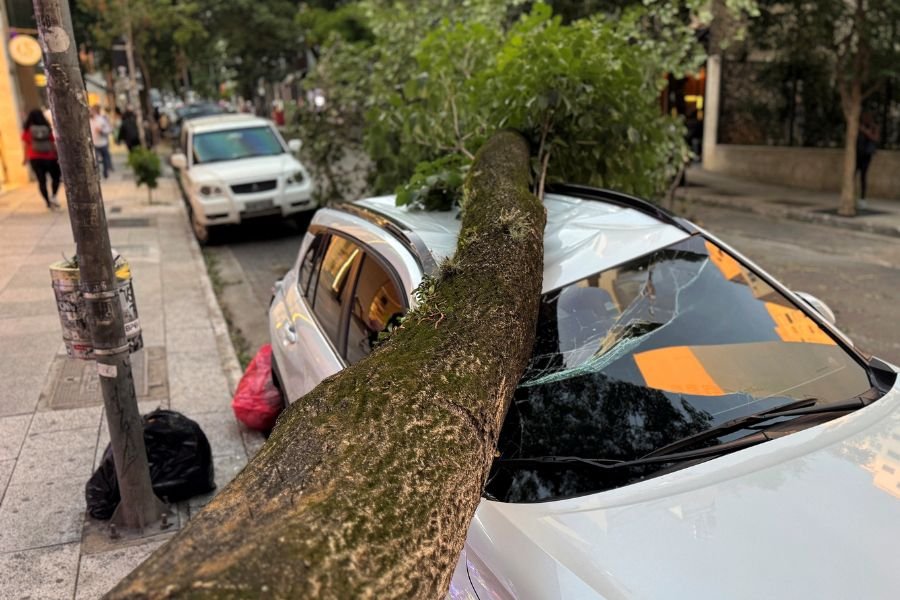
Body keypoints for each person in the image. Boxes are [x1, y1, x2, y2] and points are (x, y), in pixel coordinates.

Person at [21, 108, 62, 210]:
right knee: (56, 177)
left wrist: (25, 158)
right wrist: (57, 154)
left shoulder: (28, 130)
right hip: (50, 157)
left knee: (41, 181)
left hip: (35, 158)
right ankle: (53, 196)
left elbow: (26, 145)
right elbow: (53, 142)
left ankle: (47, 202)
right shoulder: (47, 127)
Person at [855, 111, 880, 206]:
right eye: (864, 117)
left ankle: (862, 198)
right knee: (852, 175)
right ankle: (850, 195)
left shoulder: (873, 127)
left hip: (866, 155)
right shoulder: (859, 126)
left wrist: (865, 131)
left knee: (863, 176)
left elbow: (876, 138)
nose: (866, 119)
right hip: (857, 154)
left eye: (868, 117)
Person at [90, 104, 113, 178]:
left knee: (105, 158)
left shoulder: (101, 119)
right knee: (95, 160)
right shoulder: (89, 121)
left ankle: (105, 171)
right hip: (94, 143)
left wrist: (101, 131)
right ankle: (97, 174)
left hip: (103, 143)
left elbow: (109, 129)